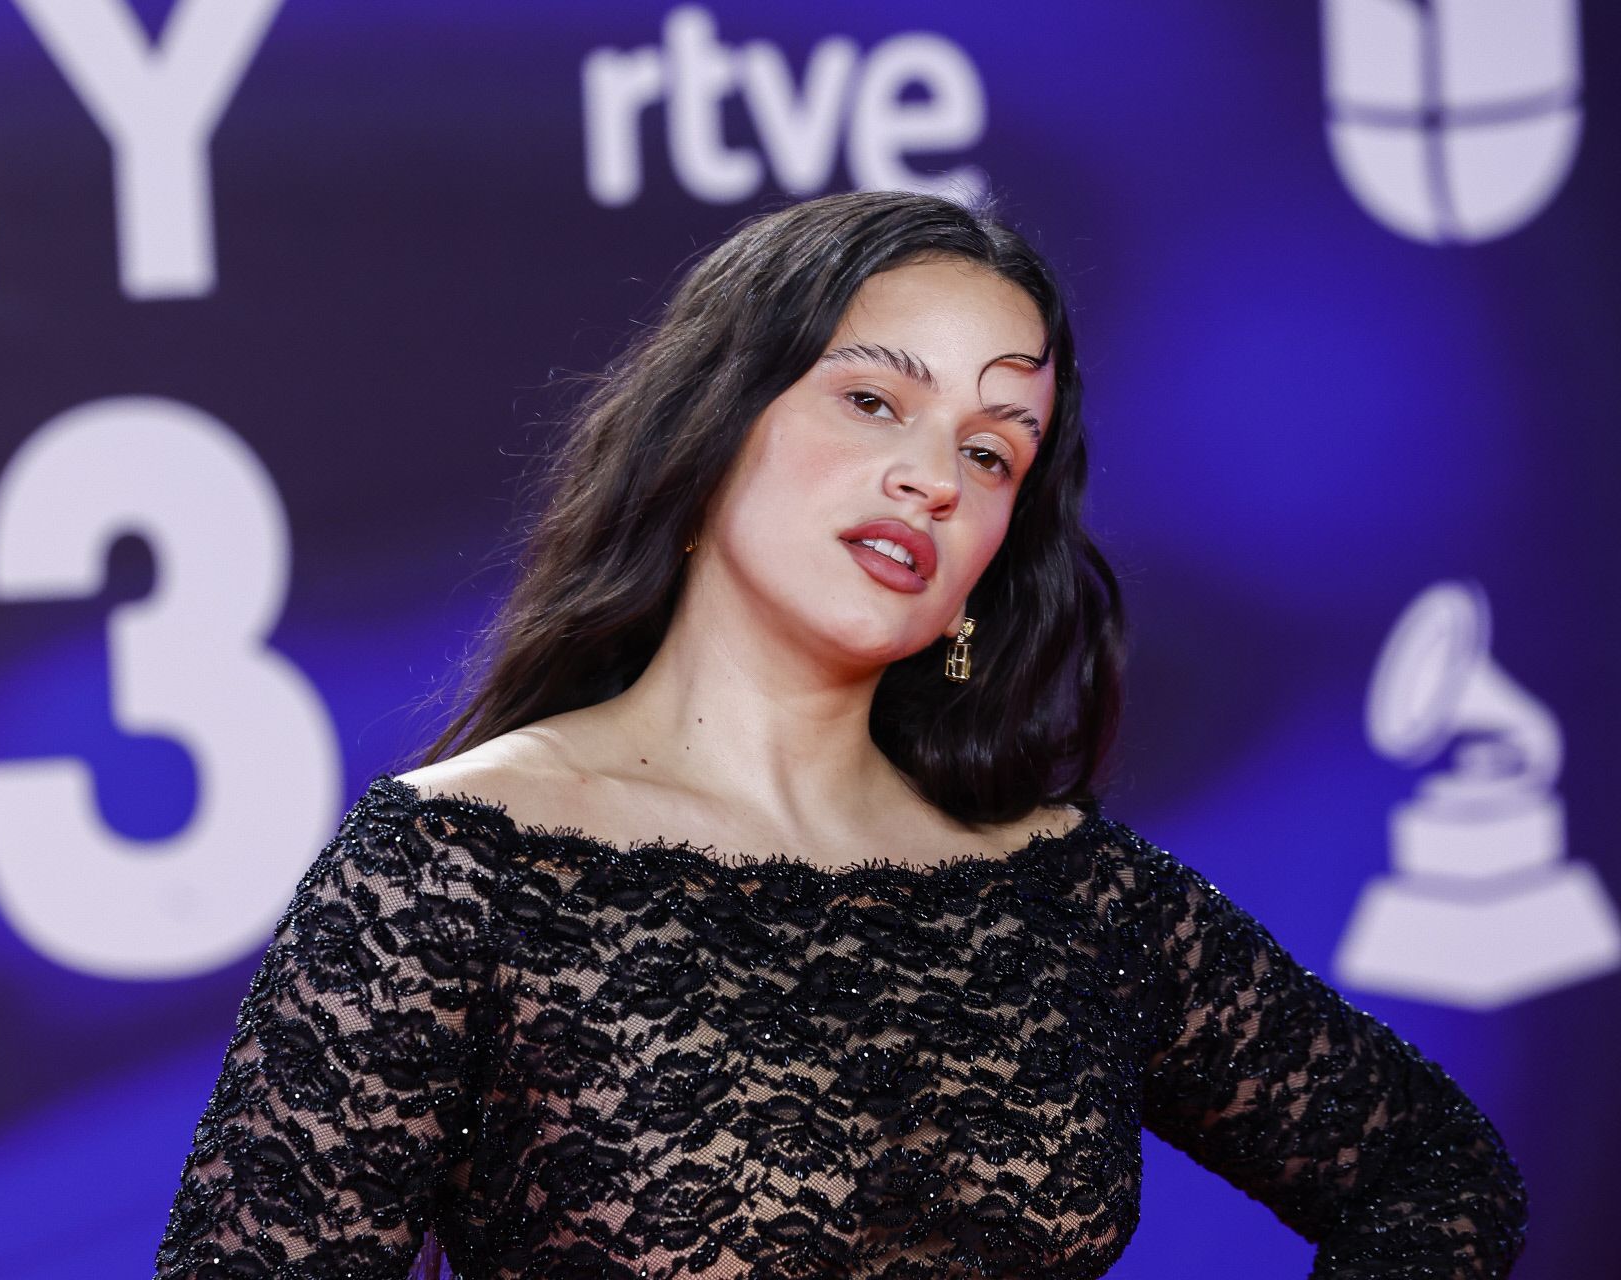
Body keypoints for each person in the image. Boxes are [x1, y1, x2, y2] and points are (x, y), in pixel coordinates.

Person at [152, 191, 1526, 1278]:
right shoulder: (458, 870)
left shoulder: (1068, 893)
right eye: (874, 400)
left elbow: (1435, 1173)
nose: (933, 476)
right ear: (709, 431)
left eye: (993, 452)